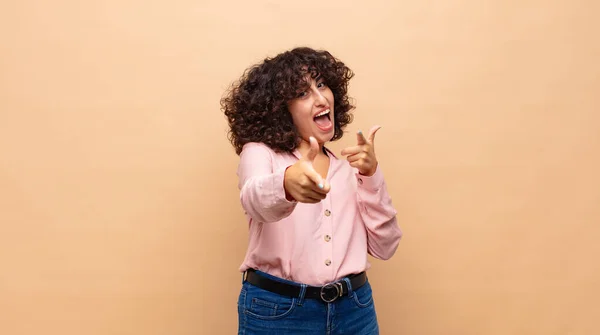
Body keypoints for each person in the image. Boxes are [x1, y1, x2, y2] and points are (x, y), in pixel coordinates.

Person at [220, 46, 403, 335]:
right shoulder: (260, 154)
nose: (320, 98)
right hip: (278, 313)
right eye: (303, 93)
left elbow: (386, 246)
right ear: (281, 108)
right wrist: (286, 184)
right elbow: (254, 199)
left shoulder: (350, 170)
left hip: (354, 310)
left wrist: (371, 175)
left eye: (321, 85)